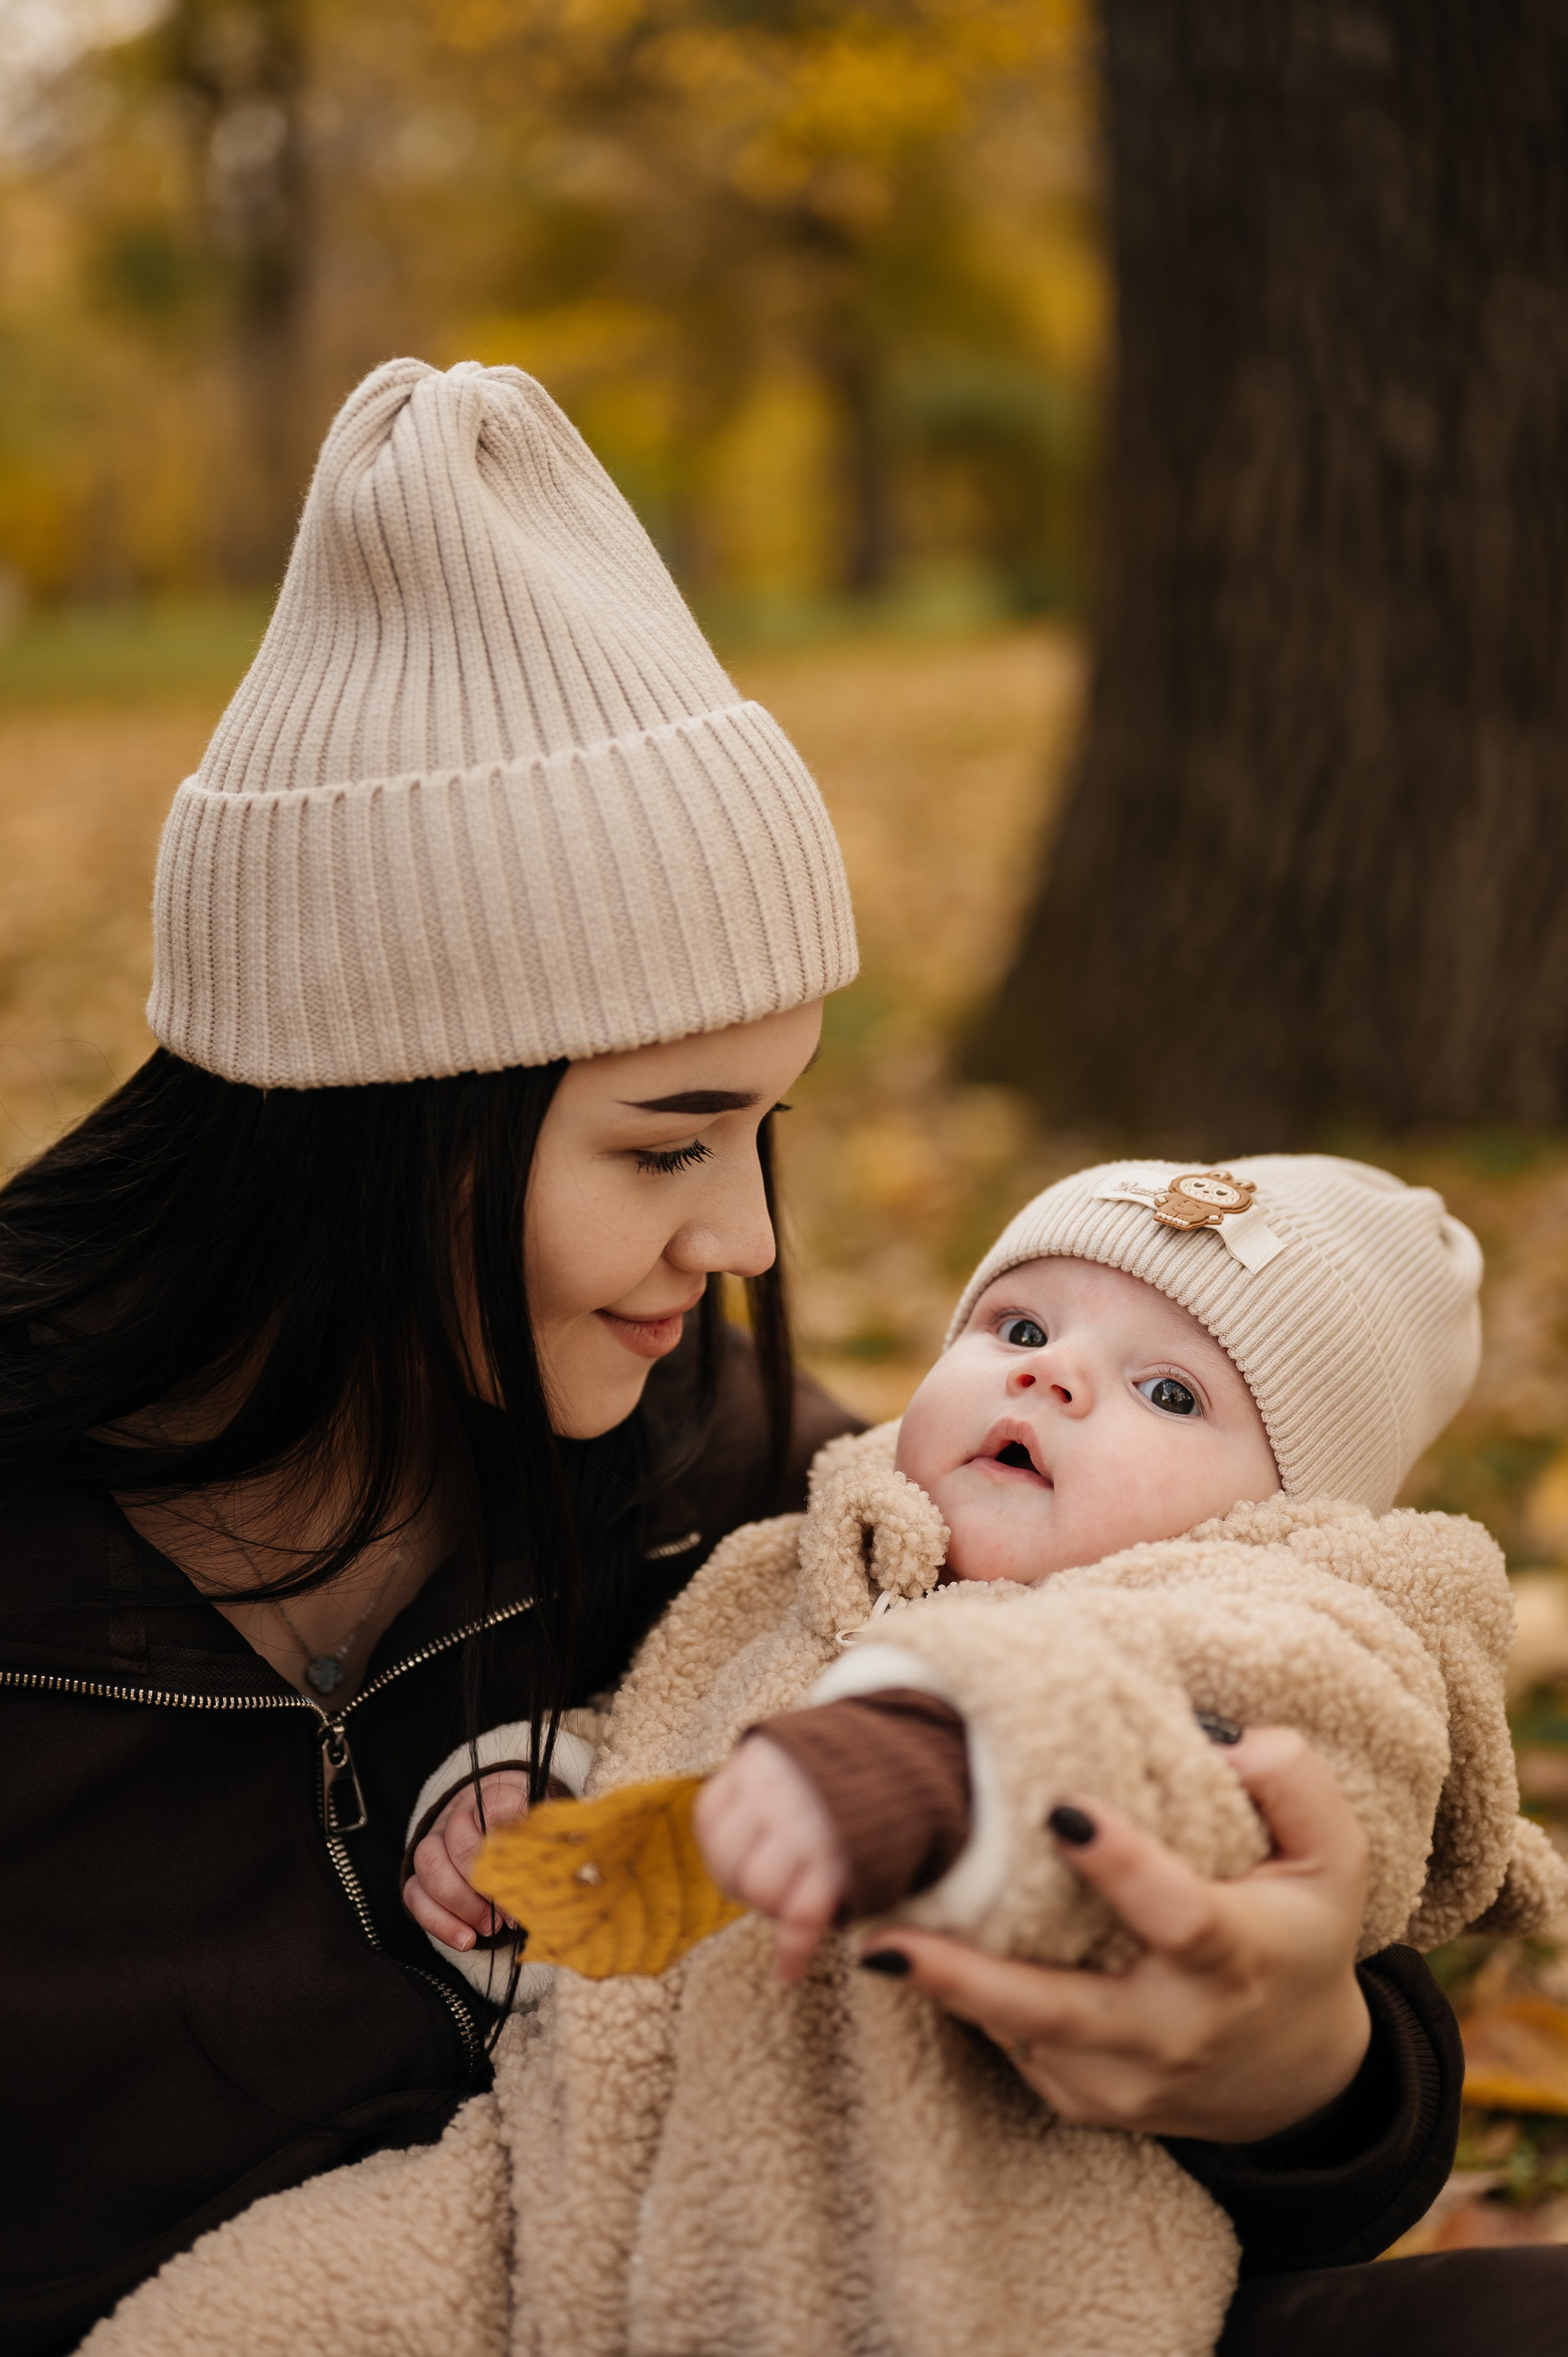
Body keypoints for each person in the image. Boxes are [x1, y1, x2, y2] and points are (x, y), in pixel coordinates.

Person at [0, 360, 1500, 2356]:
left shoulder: (722, 1462)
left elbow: (1133, 1693)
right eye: (667, 1142)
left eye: (764, 1134)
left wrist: (1301, 2065)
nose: (746, 1243)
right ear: (376, 1116)